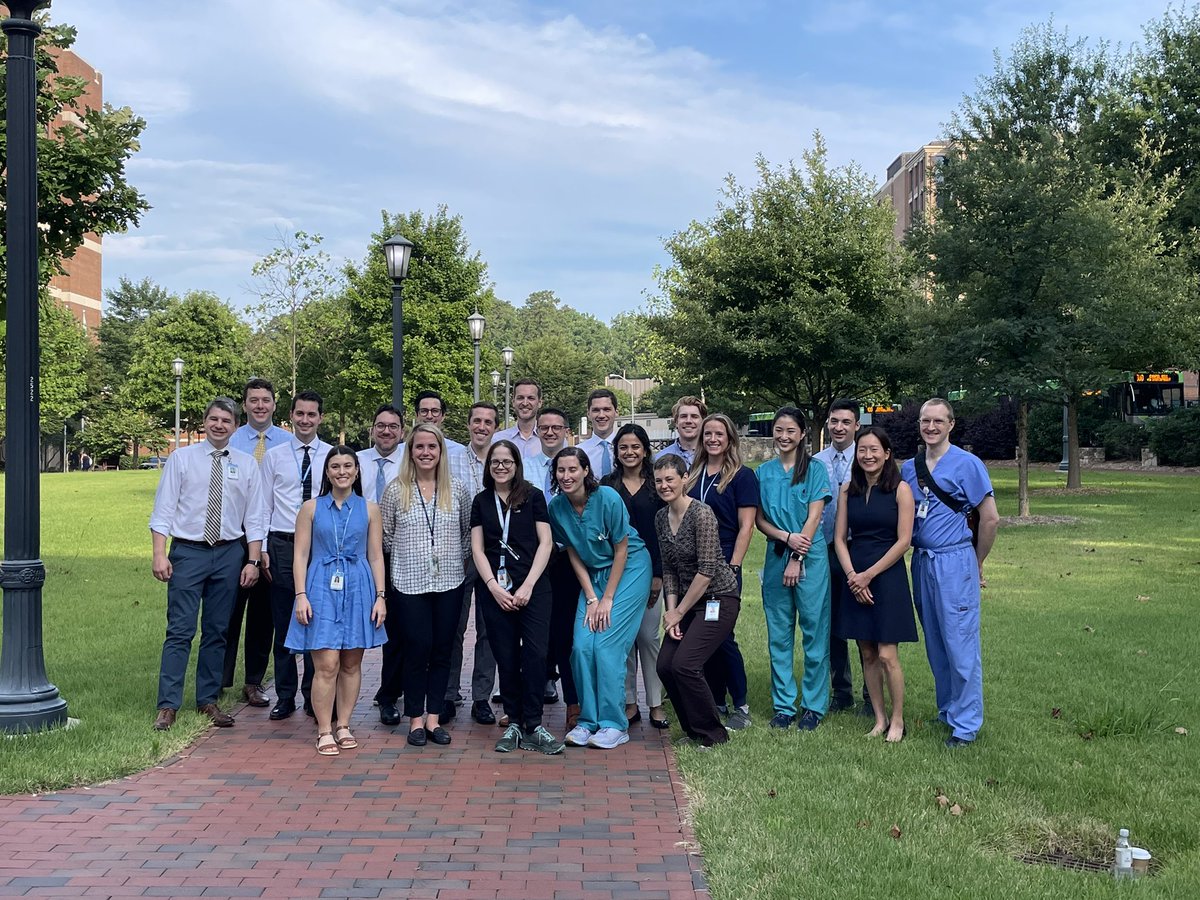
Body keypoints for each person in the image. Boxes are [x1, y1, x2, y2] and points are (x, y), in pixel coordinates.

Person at [149, 398, 265, 731]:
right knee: (180, 630)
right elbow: (163, 510)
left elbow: (255, 517)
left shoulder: (245, 464)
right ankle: (168, 705)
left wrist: (253, 560)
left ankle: (207, 700)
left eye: (226, 421)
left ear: (235, 426)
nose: (218, 425)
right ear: (204, 422)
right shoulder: (181, 459)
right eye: (213, 419)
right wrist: (160, 553)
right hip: (189, 552)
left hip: (229, 553)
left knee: (218, 631)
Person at [901, 398, 999, 748]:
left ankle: (966, 724)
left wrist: (977, 560)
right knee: (936, 641)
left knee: (960, 642)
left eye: (938, 421)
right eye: (925, 421)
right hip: (922, 560)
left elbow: (989, 518)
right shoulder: (910, 468)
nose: (931, 427)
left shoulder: (968, 464)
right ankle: (948, 709)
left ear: (951, 425)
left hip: (955, 560)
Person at [547, 447, 652, 749]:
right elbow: (573, 554)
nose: (566, 476)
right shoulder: (557, 508)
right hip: (593, 576)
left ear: (585, 471)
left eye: (572, 470)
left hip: (630, 567)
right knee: (581, 645)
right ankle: (588, 721)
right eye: (561, 471)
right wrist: (592, 596)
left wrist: (607, 599)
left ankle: (614, 724)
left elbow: (621, 548)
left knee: (606, 644)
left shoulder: (607, 498)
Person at [285, 447, 388, 755]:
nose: (342, 471)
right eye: (335, 466)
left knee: (351, 662)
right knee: (326, 664)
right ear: (327, 472)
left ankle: (344, 724)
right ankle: (324, 728)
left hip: (358, 586)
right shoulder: (311, 508)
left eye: (347, 466)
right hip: (320, 587)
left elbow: (375, 556)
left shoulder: (370, 509)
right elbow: (301, 555)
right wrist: (300, 594)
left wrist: (380, 596)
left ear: (357, 471)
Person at [380, 423, 472, 748]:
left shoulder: (458, 490)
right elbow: (386, 537)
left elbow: (466, 535)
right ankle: (415, 719)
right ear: (411, 451)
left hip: (449, 582)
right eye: (419, 447)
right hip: (409, 584)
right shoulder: (395, 490)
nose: (426, 453)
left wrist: (449, 559)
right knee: (417, 648)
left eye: (432, 447)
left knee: (443, 649)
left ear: (441, 451)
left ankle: (434, 718)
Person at [470, 440, 564, 754]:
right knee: (506, 657)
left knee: (536, 655)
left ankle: (534, 724)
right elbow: (478, 549)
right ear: (489, 466)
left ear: (516, 464)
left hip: (534, 589)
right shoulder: (481, 501)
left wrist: (527, 586)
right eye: (495, 462)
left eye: (506, 461)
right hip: (495, 592)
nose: (500, 466)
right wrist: (493, 588)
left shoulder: (534, 496)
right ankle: (513, 721)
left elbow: (546, 544)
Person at [833, 426, 916, 743]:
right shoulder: (846, 490)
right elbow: (840, 538)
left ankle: (898, 719)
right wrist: (854, 575)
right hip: (854, 574)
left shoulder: (900, 490)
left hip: (887, 577)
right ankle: (879, 719)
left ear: (886, 454)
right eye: (862, 450)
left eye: (874, 450)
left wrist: (868, 576)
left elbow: (904, 541)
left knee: (887, 654)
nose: (867, 456)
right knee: (866, 651)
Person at [653, 455, 740, 747]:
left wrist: (678, 612)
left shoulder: (701, 514)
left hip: (718, 597)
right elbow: (669, 570)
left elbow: (707, 571)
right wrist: (671, 614)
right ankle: (692, 730)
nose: (664, 485)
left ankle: (713, 735)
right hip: (686, 604)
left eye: (670, 479)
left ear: (684, 479)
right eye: (659, 480)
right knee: (665, 665)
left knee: (686, 665)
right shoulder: (660, 518)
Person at [755, 407, 832, 731]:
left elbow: (814, 517)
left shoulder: (815, 470)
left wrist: (797, 557)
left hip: (809, 558)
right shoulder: (763, 473)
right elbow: (758, 519)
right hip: (776, 557)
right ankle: (784, 706)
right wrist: (784, 537)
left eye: (791, 431)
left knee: (815, 634)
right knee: (779, 635)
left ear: (802, 435)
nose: (784, 436)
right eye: (779, 429)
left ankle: (813, 705)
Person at [260, 390, 333, 721]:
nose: (306, 420)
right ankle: (285, 695)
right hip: (282, 543)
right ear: (290, 416)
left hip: (321, 547)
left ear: (320, 418)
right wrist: (261, 548)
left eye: (312, 414)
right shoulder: (274, 456)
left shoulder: (332, 456)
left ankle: (312, 695)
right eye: (300, 414)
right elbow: (261, 505)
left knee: (317, 621)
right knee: (285, 622)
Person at [222, 377, 292, 709]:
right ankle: (220, 681)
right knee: (228, 613)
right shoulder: (230, 440)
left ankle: (253, 682)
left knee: (263, 617)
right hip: (232, 538)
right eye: (254, 400)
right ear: (245, 404)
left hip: (268, 542)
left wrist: (263, 545)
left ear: (274, 404)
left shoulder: (287, 443)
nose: (260, 405)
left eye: (266, 400)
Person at [687, 413, 755, 730]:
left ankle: (740, 705)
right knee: (701, 635)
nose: (713, 439)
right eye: (708, 434)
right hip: (695, 564)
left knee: (723, 635)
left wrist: (734, 566)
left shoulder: (742, 477)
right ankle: (715, 699)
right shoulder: (693, 474)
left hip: (725, 561)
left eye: (719, 434)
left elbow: (746, 527)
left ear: (730, 439)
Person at [600, 424, 668, 730]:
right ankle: (629, 703)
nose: (629, 452)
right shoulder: (606, 486)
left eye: (635, 447)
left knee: (648, 638)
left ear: (645, 449)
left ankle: (655, 703)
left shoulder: (658, 486)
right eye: (623, 447)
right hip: (618, 575)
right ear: (616, 452)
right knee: (623, 642)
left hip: (652, 574)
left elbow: (666, 534)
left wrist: (659, 575)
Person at [812, 399, 869, 715]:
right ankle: (841, 691)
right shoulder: (816, 462)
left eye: (846, 422)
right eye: (834, 421)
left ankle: (870, 694)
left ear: (856, 426)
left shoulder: (867, 459)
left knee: (863, 622)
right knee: (830, 623)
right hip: (823, 552)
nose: (838, 427)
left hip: (859, 550)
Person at [447, 402, 501, 725]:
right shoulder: (450, 460)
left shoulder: (502, 460)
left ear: (495, 426)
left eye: (488, 422)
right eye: (476, 421)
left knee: (489, 629)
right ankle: (448, 693)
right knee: (453, 628)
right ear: (468, 425)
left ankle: (482, 697)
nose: (482, 427)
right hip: (459, 555)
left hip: (495, 558)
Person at [527, 406, 581, 721]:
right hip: (534, 560)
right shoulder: (527, 468)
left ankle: (573, 703)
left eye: (556, 427)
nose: (550, 432)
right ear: (537, 430)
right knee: (532, 634)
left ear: (565, 430)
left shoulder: (575, 466)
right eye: (544, 427)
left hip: (566, 560)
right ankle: (524, 700)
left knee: (565, 634)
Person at [358, 404, 407, 726]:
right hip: (355, 553)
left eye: (392, 426)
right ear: (372, 429)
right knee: (351, 624)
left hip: (395, 553)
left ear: (402, 431)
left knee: (397, 631)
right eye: (380, 426)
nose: (386, 431)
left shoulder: (411, 461)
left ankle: (389, 695)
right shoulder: (356, 461)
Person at [493, 378, 542, 458]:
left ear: (539, 403)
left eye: (531, 398)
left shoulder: (552, 440)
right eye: (520, 398)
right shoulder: (497, 440)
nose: (525, 403)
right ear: (513, 402)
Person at [655, 396, 707, 469]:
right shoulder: (659, 458)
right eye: (683, 416)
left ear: (703, 422)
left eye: (694, 416)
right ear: (676, 422)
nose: (688, 421)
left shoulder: (713, 455)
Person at [578, 388, 619, 478]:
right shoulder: (578, 453)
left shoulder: (626, 450)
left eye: (606, 409)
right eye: (596, 410)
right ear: (588, 414)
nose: (601, 415)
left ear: (616, 413)